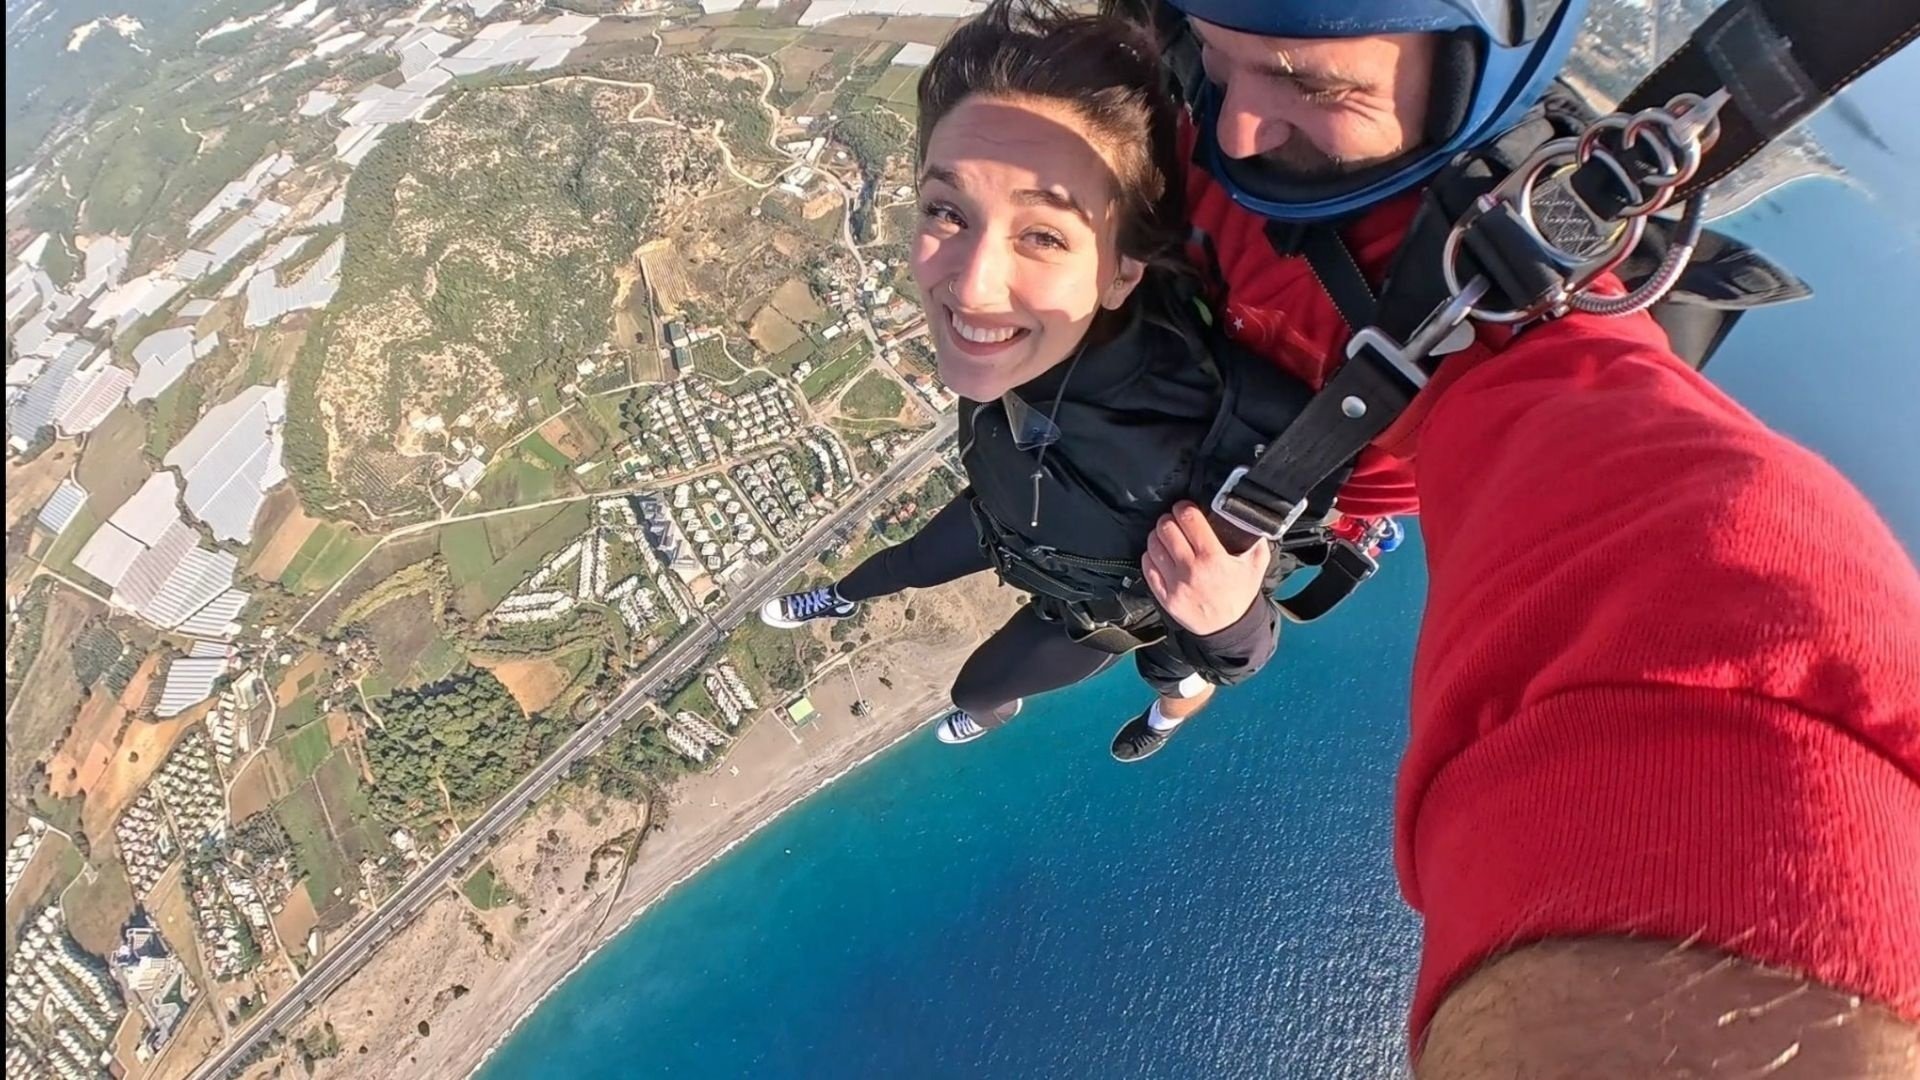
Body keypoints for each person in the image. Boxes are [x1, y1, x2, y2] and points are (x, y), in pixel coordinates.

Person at [1116, 0, 1920, 1073]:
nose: (1241, 129)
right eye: (1218, 59)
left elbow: (1701, 582)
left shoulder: (1500, 318)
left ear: (1473, 70)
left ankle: (1185, 686)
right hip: (1216, 470)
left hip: (1277, 521)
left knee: (1182, 647)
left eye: (1309, 83)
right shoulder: (1183, 89)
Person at [761, 2, 1326, 763]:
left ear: (1123, 270)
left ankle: (1160, 718)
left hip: (1094, 609)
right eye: (947, 211)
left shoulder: (1206, 428)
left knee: (1008, 688)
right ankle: (837, 598)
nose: (972, 286)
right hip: (1005, 518)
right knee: (903, 565)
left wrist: (1226, 618)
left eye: (1043, 234)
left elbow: (1245, 646)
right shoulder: (1017, 344)